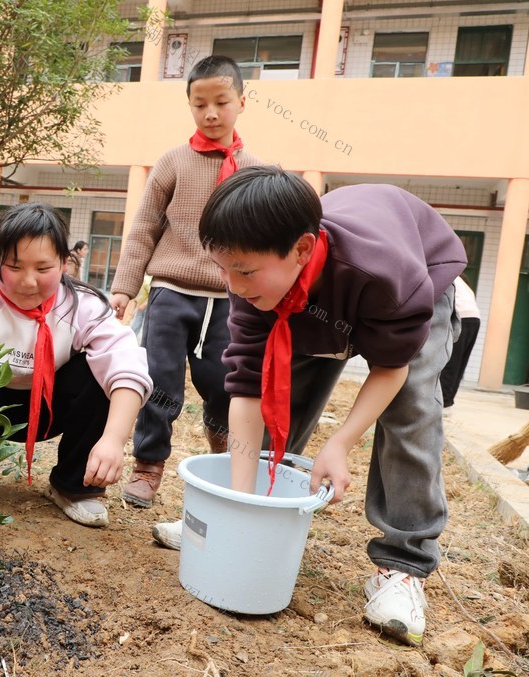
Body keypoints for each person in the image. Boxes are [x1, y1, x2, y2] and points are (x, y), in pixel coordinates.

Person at [155, 166, 466, 647]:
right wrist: (240, 508)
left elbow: (392, 369)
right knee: (281, 389)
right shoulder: (251, 282)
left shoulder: (384, 275)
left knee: (410, 408)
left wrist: (340, 443)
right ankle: (256, 513)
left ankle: (403, 566)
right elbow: (249, 389)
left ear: (301, 249)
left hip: (419, 274)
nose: (232, 285)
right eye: (222, 268)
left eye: (243, 270)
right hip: (300, 293)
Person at [0, 202, 152, 527]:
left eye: (43, 268)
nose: (28, 281)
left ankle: (74, 485)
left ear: (64, 263)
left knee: (98, 374)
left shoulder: (83, 305)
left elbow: (127, 366)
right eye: (14, 266)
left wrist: (113, 441)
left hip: (50, 410)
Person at [108, 56, 261, 508]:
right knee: (160, 382)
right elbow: (144, 227)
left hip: (230, 300)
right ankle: (147, 466)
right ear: (190, 105)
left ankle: (225, 461)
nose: (210, 113)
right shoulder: (173, 162)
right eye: (200, 104)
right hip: (171, 294)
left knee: (225, 384)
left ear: (242, 102)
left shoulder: (255, 171)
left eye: (221, 102)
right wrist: (124, 286)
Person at [440, 276, 481, 409]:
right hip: (474, 317)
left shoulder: (438, 271)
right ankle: (448, 401)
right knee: (458, 364)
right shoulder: (459, 278)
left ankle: (444, 403)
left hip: (460, 317)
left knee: (449, 361)